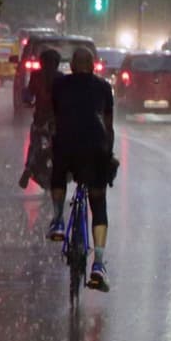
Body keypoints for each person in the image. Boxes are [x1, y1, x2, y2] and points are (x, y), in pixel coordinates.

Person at [48, 47, 115, 291]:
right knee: (98, 201)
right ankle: (98, 263)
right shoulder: (103, 87)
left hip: (67, 146)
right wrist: (109, 155)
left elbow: (56, 117)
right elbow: (108, 125)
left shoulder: (60, 85)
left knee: (58, 172)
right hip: (95, 149)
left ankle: (58, 219)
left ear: (73, 66)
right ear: (93, 66)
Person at [19, 48, 61, 189]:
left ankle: (28, 168)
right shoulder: (61, 78)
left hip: (40, 119)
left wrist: (27, 100)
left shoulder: (36, 76)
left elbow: (29, 94)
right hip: (57, 121)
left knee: (34, 144)